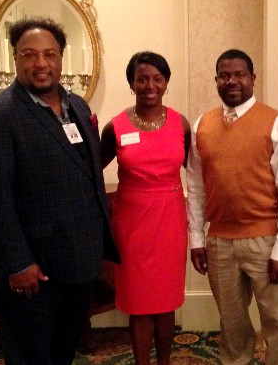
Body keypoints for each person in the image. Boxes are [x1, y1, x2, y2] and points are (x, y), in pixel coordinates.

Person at [0, 17, 119, 365]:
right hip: (32, 271)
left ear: (61, 58)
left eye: (49, 54)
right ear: (15, 58)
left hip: (78, 263)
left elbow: (86, 175)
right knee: (30, 357)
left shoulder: (77, 107)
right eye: (29, 54)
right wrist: (18, 263)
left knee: (62, 353)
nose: (40, 63)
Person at [186, 49, 278, 365]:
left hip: (266, 243)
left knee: (276, 322)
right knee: (231, 322)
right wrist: (196, 239)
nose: (232, 81)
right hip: (219, 243)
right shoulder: (202, 126)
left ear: (253, 78)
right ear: (216, 81)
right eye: (225, 75)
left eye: (239, 74)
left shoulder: (277, 123)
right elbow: (196, 188)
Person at [100, 51, 190, 365]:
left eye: (157, 78)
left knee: (165, 301)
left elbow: (192, 167)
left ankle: (163, 361)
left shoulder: (182, 124)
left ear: (166, 83)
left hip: (170, 220)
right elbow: (92, 169)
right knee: (139, 303)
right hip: (131, 224)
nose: (149, 85)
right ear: (132, 84)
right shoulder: (116, 127)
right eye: (142, 79)